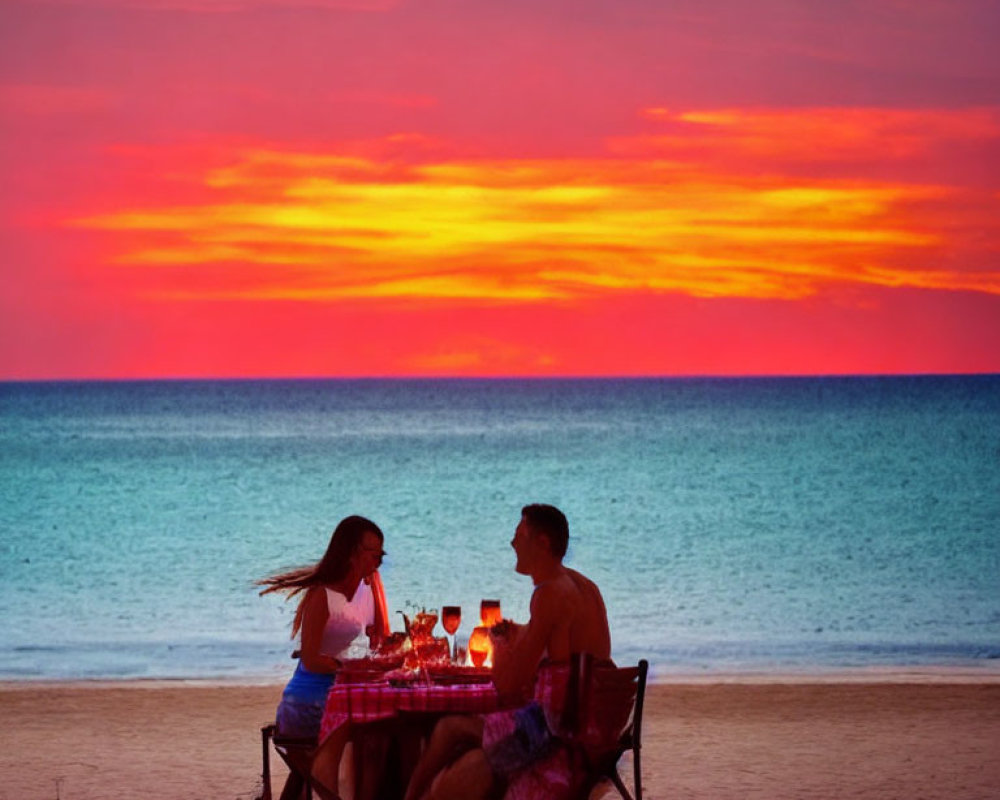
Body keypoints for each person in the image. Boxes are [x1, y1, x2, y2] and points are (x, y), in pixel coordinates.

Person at [404, 504, 611, 800]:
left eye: (519, 534)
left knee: (449, 730)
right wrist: (519, 632)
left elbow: (507, 683)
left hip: (557, 733)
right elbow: (561, 644)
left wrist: (497, 639)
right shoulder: (583, 585)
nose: (513, 543)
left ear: (542, 543)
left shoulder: (549, 592)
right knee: (450, 729)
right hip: (590, 722)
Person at [258, 514, 389, 738]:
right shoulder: (321, 595)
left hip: (341, 690)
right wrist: (351, 668)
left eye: (381, 556)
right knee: (373, 733)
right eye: (373, 555)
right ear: (351, 552)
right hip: (310, 698)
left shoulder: (369, 585)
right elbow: (310, 659)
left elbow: (382, 638)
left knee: (390, 724)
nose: (378, 562)